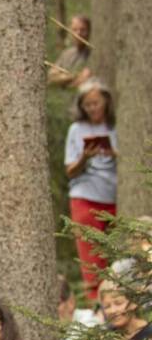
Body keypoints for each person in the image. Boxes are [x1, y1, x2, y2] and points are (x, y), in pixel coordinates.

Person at [65, 79, 119, 301]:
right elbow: (70, 170)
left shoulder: (117, 126)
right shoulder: (76, 130)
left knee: (121, 255)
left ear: (106, 101)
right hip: (85, 197)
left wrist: (114, 155)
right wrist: (84, 158)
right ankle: (98, 307)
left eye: (96, 103)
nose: (93, 108)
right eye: (88, 105)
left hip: (115, 197)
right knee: (92, 260)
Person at [47, 15, 92, 89]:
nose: (78, 33)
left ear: (89, 31)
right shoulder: (67, 54)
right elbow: (51, 76)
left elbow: (84, 80)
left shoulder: (93, 54)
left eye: (83, 30)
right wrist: (73, 76)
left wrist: (63, 79)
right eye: (75, 29)